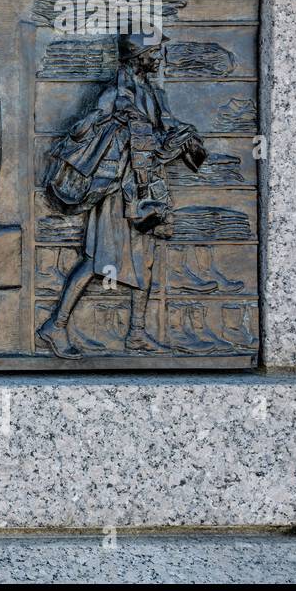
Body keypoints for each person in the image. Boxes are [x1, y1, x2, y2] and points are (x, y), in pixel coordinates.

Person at [37, 30, 205, 359]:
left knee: (146, 260)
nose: (158, 57)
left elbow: (157, 143)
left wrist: (179, 142)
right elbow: (84, 131)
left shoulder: (153, 94)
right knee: (96, 261)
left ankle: (137, 333)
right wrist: (107, 125)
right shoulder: (115, 93)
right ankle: (55, 327)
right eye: (153, 52)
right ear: (136, 57)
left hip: (145, 192)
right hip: (117, 194)